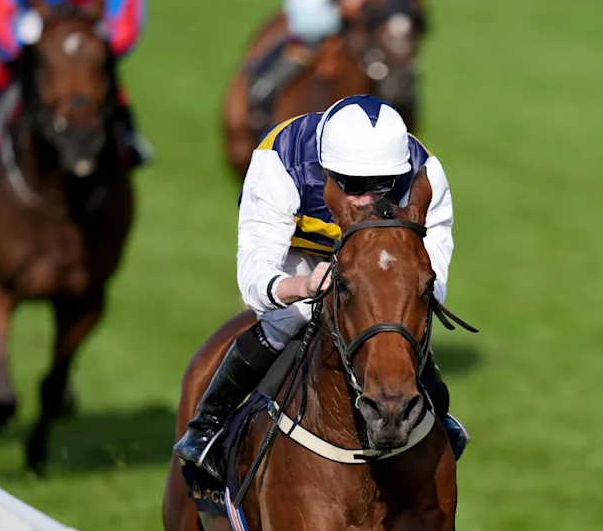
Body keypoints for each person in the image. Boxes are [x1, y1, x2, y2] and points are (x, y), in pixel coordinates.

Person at [175, 94, 468, 482]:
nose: (368, 198)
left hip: (379, 257)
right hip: (300, 254)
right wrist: (303, 285)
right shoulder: (279, 162)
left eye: (382, 185)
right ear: (326, 168)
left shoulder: (423, 172)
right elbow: (255, 272)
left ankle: (439, 418)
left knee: (399, 314)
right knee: (288, 317)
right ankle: (206, 427)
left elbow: (434, 267)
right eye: (353, 185)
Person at [0, 0, 152, 167]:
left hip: (86, 40)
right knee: (5, 69)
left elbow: (126, 24)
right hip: (34, 39)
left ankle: (127, 135)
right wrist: (20, 40)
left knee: (99, 76)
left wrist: (104, 39)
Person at [247, 0, 364, 122]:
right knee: (264, 88)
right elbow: (303, 22)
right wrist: (338, 13)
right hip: (310, 41)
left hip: (354, 36)